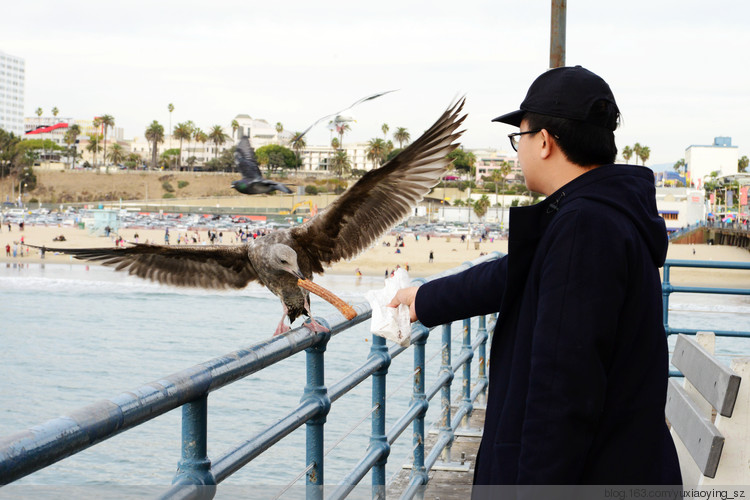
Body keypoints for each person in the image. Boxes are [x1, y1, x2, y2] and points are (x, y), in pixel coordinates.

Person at [388, 66, 681, 488]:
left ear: (544, 142)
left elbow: (562, 394)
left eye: (519, 138)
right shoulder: (601, 213)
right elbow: (516, 273)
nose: (518, 151)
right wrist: (424, 299)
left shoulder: (583, 225)